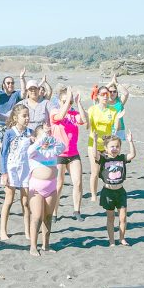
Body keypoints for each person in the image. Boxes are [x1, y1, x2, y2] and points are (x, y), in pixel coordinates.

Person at [92, 131, 136, 246]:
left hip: (120, 191)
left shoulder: (121, 158)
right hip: (108, 192)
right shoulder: (103, 158)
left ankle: (122, 238)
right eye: (112, 146)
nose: (115, 149)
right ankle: (111, 240)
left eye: (117, 146)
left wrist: (131, 142)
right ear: (106, 148)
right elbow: (94, 155)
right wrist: (95, 142)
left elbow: (132, 155)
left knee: (123, 218)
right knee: (110, 218)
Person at [26, 125, 65, 256]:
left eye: (47, 136)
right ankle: (33, 246)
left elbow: (62, 147)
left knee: (48, 217)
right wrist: (40, 140)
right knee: (36, 216)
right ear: (35, 138)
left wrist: (50, 138)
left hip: (51, 187)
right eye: (43, 136)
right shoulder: (35, 151)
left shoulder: (52, 150)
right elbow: (30, 150)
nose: (45, 139)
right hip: (36, 187)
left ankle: (46, 245)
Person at [51, 87, 87, 222]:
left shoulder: (74, 114)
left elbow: (83, 120)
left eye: (69, 101)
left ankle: (77, 210)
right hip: (59, 154)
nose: (68, 104)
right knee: (58, 185)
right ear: (59, 101)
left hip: (73, 153)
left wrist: (78, 102)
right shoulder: (54, 112)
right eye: (65, 101)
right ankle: (54, 212)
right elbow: (60, 116)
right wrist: (68, 100)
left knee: (77, 183)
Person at [0, 104, 32, 240]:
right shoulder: (9, 132)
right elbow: (4, 153)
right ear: (15, 117)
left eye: (28, 115)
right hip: (11, 168)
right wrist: (4, 172)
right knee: (9, 200)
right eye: (24, 116)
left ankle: (28, 231)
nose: (27, 118)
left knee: (25, 201)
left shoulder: (30, 132)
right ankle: (3, 230)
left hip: (26, 169)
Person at [86, 85, 120, 203]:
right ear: (98, 96)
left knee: (108, 171)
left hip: (107, 145)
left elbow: (116, 127)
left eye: (107, 94)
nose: (106, 96)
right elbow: (88, 125)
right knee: (95, 171)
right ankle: (94, 195)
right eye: (103, 94)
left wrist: (117, 122)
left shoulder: (113, 110)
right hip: (94, 144)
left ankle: (108, 192)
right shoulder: (92, 109)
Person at [107, 74, 130, 141]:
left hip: (120, 130)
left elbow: (126, 93)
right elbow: (100, 92)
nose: (112, 93)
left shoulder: (120, 102)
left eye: (114, 91)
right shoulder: (104, 102)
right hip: (107, 129)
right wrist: (111, 82)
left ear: (117, 93)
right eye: (110, 91)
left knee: (118, 150)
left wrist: (116, 83)